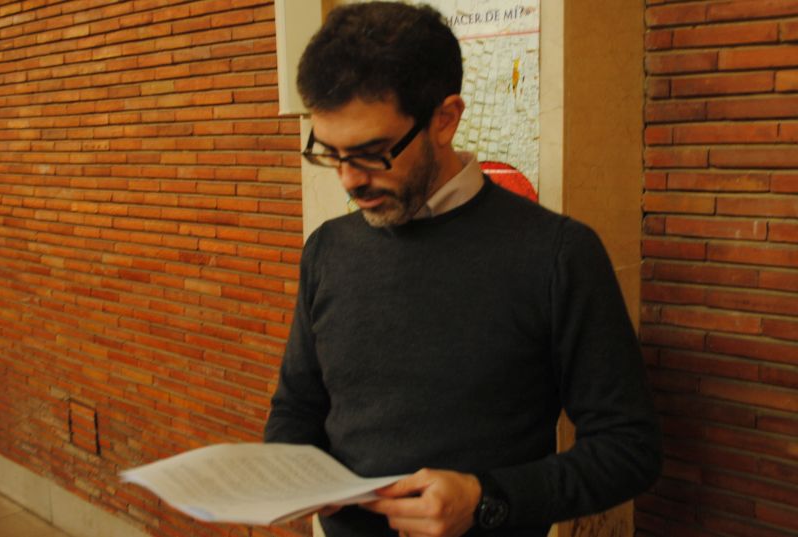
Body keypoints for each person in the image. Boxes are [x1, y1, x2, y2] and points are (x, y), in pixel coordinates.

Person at [264, 2, 662, 536]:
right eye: (331, 153)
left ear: (444, 119)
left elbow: (630, 449)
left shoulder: (557, 254)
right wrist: (291, 470)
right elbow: (296, 406)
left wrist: (486, 498)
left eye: (372, 152)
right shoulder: (327, 249)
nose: (349, 180)